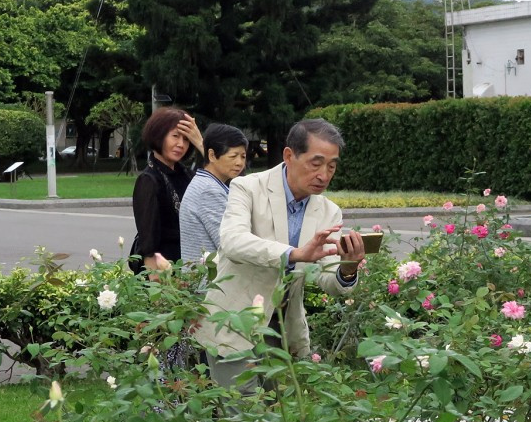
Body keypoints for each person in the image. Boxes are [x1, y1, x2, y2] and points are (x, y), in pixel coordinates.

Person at [196, 118, 365, 390]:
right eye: (316, 163)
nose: (324, 174)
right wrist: (294, 254)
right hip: (234, 322)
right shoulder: (247, 188)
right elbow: (233, 242)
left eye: (332, 166)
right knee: (243, 416)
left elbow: (328, 279)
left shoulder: (329, 211)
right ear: (289, 155)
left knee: (276, 418)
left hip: (282, 329)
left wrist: (347, 268)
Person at [131, 107, 204, 272]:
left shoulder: (188, 176)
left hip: (189, 267)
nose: (181, 144)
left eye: (186, 139)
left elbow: (223, 176)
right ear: (159, 136)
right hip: (162, 274)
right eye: (175, 136)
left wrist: (200, 142)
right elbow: (148, 244)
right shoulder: (149, 180)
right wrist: (158, 290)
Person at [179, 124, 249, 262]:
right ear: (211, 155)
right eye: (233, 156)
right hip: (209, 280)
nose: (239, 163)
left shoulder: (208, 183)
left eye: (243, 156)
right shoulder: (208, 190)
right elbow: (231, 245)